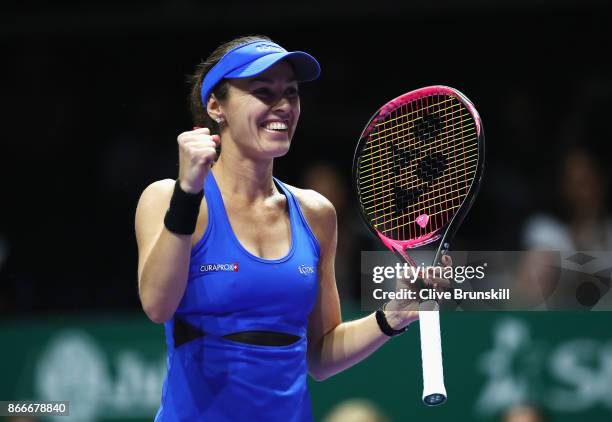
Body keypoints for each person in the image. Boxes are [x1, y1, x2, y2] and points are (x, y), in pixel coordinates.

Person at [135, 35, 450, 421]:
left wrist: (391, 317)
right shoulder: (170, 198)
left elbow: (319, 355)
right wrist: (188, 193)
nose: (283, 106)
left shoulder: (316, 213)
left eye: (292, 93)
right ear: (216, 106)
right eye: (263, 92)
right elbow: (156, 304)